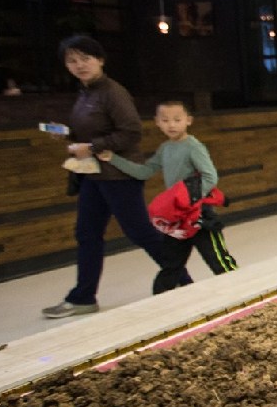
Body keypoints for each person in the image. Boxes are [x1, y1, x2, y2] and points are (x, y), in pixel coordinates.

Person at [42, 36, 186, 319]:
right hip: (94, 176)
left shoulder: (113, 92)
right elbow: (91, 132)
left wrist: (93, 147)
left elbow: (131, 132)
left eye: (86, 58)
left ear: (100, 60)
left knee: (140, 232)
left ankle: (185, 283)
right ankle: (83, 297)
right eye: (72, 60)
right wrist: (68, 135)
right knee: (87, 234)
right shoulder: (86, 93)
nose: (79, 65)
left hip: (119, 173)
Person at [97, 100, 238, 293]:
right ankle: (160, 301)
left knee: (218, 259)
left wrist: (191, 199)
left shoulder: (193, 147)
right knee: (171, 264)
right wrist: (113, 159)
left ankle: (241, 293)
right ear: (157, 122)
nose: (171, 125)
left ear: (188, 120)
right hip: (176, 218)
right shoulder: (165, 148)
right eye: (165, 120)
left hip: (199, 215)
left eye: (177, 120)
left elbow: (210, 176)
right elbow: (145, 171)